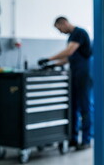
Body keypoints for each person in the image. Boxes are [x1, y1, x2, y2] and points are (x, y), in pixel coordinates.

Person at [38, 17, 94, 150]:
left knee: (85, 108)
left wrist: (48, 58)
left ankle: (86, 140)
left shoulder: (79, 33)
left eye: (59, 28)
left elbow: (69, 51)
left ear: (64, 23)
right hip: (75, 74)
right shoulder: (71, 37)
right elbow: (70, 58)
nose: (60, 32)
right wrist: (52, 65)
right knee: (73, 107)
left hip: (84, 75)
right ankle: (73, 138)